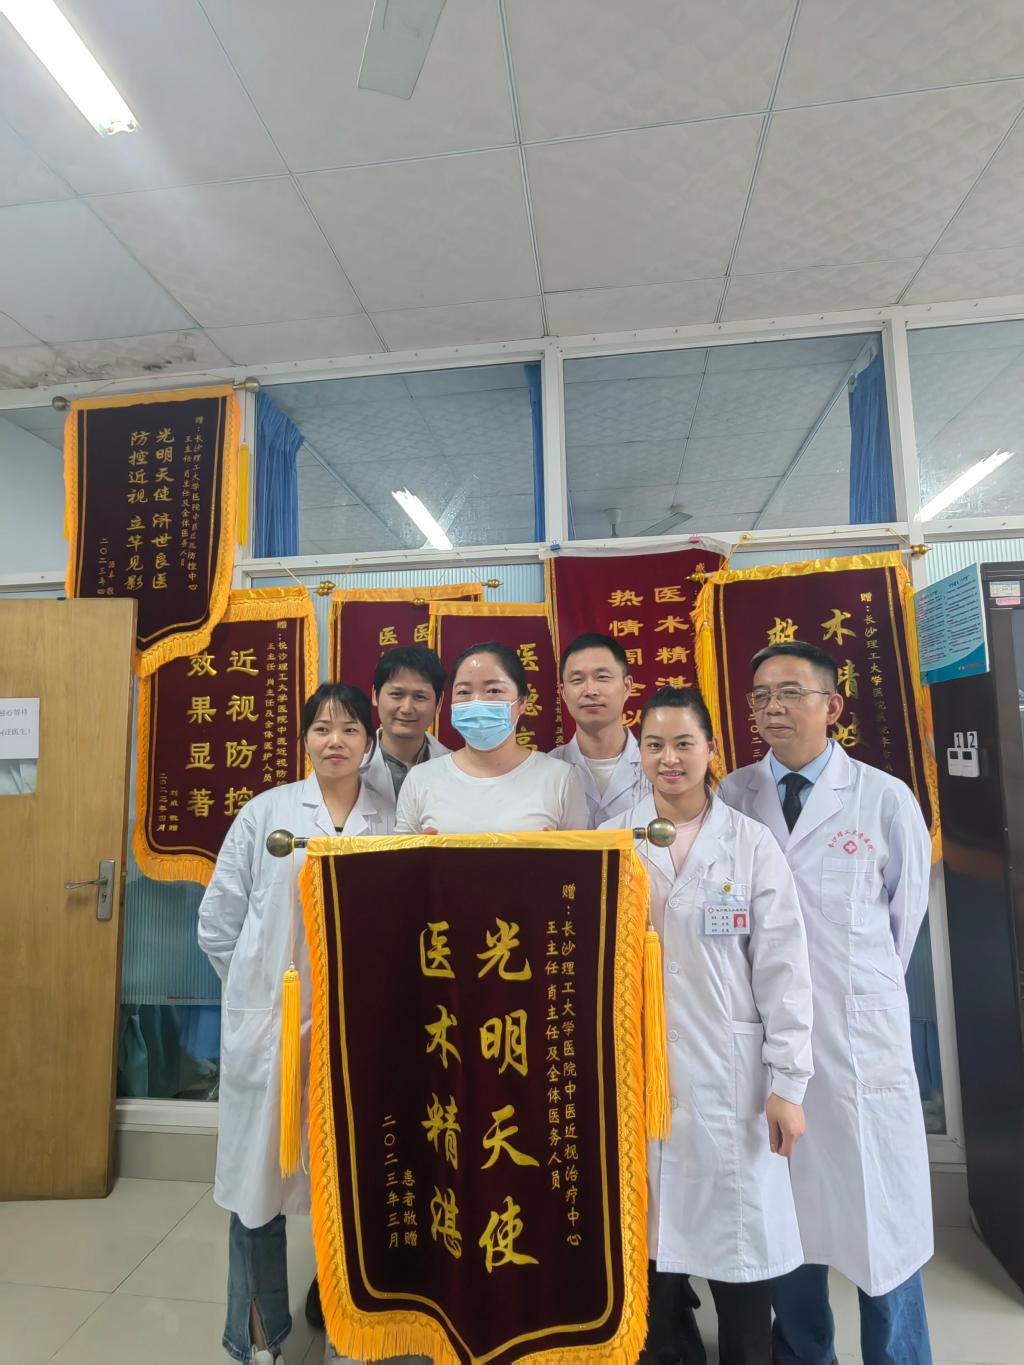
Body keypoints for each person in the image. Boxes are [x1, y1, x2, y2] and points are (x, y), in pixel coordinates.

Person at [718, 641, 933, 1365]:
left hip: (857, 1048)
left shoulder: (883, 798)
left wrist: (853, 992)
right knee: (791, 1229)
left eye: (790, 692)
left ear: (832, 705)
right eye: (759, 696)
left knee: (885, 1230)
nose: (771, 708)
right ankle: (805, 1355)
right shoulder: (733, 796)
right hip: (771, 1048)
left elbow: (904, 923)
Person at [601, 686, 813, 1365]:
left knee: (742, 1261)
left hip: (732, 1084)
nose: (669, 758)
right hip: (639, 1083)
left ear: (711, 749)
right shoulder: (613, 843)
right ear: (640, 752)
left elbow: (783, 969)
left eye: (683, 743)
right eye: (654, 745)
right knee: (651, 1263)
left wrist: (788, 1084)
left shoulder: (748, 844)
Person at [198, 683, 392, 1364]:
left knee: (354, 1189)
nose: (335, 740)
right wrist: (259, 996)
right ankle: (259, 1337)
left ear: (369, 741)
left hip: (359, 1036)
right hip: (272, 1032)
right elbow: (218, 924)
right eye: (322, 728)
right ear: (304, 738)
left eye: (349, 728)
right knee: (258, 1192)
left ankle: (352, 1333)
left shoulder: (391, 817)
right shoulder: (266, 813)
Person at [396, 640, 587, 834]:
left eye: (493, 690)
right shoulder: (420, 780)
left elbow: (580, 852)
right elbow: (401, 853)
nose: (477, 702)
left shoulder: (560, 779)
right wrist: (424, 850)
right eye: (463, 692)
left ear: (522, 702)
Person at [550, 632, 650, 827]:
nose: (590, 691)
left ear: (627, 686)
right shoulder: (546, 770)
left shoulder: (657, 766)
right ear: (563, 693)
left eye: (602, 677)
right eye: (577, 680)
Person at [360, 644, 449, 819]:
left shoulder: (455, 767)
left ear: (439, 703)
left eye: (420, 697)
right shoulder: (350, 765)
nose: (407, 708)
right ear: (375, 695)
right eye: (397, 694)